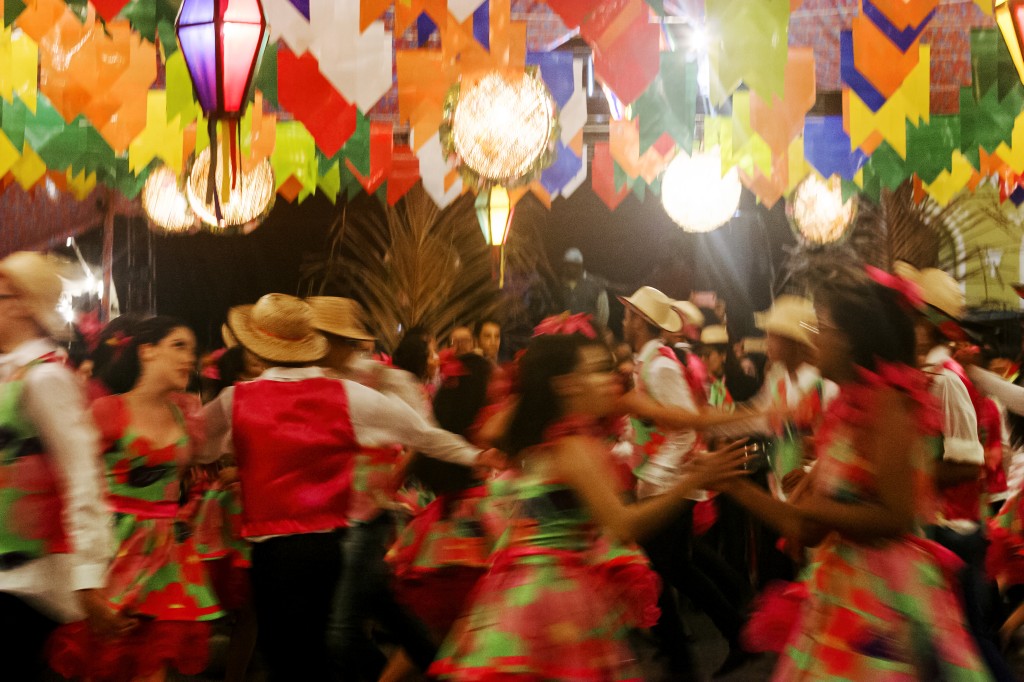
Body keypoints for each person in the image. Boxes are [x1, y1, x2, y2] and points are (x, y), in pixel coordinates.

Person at [201, 294, 494, 681]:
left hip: (269, 552)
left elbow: (197, 447)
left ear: (258, 347)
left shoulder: (235, 399)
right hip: (328, 549)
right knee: (316, 650)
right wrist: (475, 456)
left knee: (284, 654)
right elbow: (422, 435)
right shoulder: (348, 396)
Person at [717, 274, 993, 680]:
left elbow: (897, 515)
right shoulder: (845, 407)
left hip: (883, 594)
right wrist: (733, 483)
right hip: (839, 585)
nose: (816, 340)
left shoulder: (890, 405)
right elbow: (806, 527)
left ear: (851, 339)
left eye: (823, 328)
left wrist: (818, 504)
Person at [430, 333, 749, 681]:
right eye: (597, 370)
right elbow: (625, 526)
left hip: (516, 594)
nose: (612, 380)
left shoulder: (544, 439)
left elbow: (494, 429)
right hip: (555, 597)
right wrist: (691, 481)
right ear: (566, 384)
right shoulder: (573, 448)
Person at [50, 316, 224, 682]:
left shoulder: (188, 414)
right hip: (116, 549)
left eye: (192, 350)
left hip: (169, 557)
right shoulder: (108, 410)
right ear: (147, 351)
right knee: (107, 663)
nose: (189, 358)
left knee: (152, 664)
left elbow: (189, 478)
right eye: (179, 346)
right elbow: (74, 486)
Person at [619, 285, 754, 678]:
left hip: (668, 485)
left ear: (641, 323)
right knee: (674, 568)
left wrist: (657, 476)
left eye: (629, 316)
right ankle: (724, 638)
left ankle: (684, 657)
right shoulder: (647, 363)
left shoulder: (659, 366)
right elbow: (654, 427)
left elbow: (684, 430)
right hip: (665, 481)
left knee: (657, 568)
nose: (624, 321)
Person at [0, 252, 113, 681]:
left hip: (32, 582)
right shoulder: (10, 373)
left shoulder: (46, 378)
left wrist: (89, 573)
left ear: (22, 303)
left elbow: (83, 475)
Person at [557, 247, 609, 328]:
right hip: (568, 335)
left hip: (590, 334)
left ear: (579, 266)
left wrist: (599, 330)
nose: (567, 269)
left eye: (571, 265)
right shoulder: (562, 286)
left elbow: (603, 313)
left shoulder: (596, 284)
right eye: (566, 265)